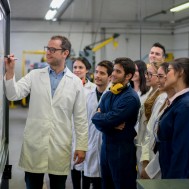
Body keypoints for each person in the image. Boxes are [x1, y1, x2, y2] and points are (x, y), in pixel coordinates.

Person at [4, 35, 88, 189]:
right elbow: (13, 94)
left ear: (65, 53)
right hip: (35, 143)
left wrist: (81, 146)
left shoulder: (75, 82)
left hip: (60, 143)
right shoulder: (35, 75)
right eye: (47, 48)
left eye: (53, 49)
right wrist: (10, 72)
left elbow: (81, 118)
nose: (48, 52)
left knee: (58, 185)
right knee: (32, 184)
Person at [92, 57, 140, 189]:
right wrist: (111, 123)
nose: (113, 74)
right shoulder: (108, 94)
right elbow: (95, 119)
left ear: (128, 76)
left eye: (118, 71)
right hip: (106, 149)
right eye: (113, 70)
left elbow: (105, 118)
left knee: (122, 185)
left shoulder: (130, 98)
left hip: (122, 151)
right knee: (106, 185)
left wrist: (105, 119)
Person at [140, 62, 175, 179]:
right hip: (151, 159)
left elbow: (165, 144)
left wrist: (150, 168)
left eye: (161, 76)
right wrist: (145, 160)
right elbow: (150, 131)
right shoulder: (161, 98)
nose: (159, 80)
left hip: (161, 165)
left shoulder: (179, 104)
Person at [83, 60, 113, 189]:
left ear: (110, 77)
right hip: (90, 144)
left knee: (106, 181)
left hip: (107, 146)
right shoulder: (88, 95)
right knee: (92, 180)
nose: (97, 76)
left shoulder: (113, 95)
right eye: (96, 72)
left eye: (102, 73)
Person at [157, 58, 189, 178]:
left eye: (168, 71)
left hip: (177, 177)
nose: (165, 76)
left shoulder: (185, 106)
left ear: (180, 72)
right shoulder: (178, 102)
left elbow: (182, 151)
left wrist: (173, 182)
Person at [71, 57, 96, 189]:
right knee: (73, 165)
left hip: (87, 131)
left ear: (87, 70)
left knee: (86, 165)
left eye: (80, 67)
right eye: (75, 67)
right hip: (70, 130)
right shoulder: (67, 86)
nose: (77, 70)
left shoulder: (93, 88)